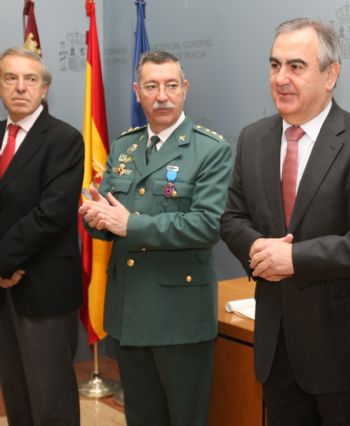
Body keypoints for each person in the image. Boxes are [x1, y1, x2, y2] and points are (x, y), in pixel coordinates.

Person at [221, 17, 350, 426]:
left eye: (296, 66)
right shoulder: (253, 138)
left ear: (331, 75)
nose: (281, 78)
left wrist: (295, 259)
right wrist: (256, 248)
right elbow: (233, 217)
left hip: (348, 355)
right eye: (274, 65)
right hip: (278, 349)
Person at [79, 50, 232, 426]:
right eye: (151, 86)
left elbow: (206, 225)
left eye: (170, 85)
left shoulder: (210, 150)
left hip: (179, 316)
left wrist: (129, 224)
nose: (161, 95)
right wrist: (95, 217)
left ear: (184, 90)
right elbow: (110, 218)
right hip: (130, 310)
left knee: (184, 418)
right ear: (137, 92)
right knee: (143, 418)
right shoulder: (124, 146)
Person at [0, 47, 84, 425]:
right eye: (10, 78)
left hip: (43, 289)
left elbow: (52, 213)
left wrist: (3, 261)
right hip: (3, 290)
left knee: (51, 402)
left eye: (30, 79)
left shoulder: (64, 139)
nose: (20, 87)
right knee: (16, 395)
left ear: (45, 88)